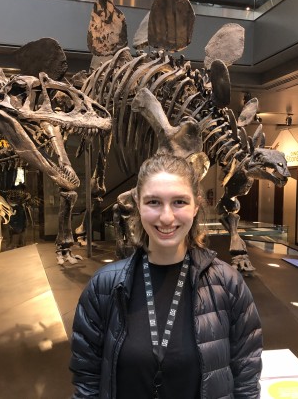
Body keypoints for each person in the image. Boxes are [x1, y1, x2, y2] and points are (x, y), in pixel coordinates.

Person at [69, 153, 263, 399]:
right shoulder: (103, 287)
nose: (167, 217)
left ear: (196, 206)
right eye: (153, 202)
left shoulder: (228, 284)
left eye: (179, 202)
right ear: (138, 204)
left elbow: (246, 379)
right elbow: (87, 380)